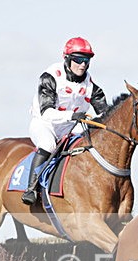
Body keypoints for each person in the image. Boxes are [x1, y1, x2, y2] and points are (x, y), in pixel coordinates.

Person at [22, 37, 109, 205]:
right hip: (45, 124)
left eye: (87, 60)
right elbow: (46, 112)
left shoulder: (90, 85)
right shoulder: (50, 77)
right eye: (78, 59)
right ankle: (31, 188)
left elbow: (105, 112)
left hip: (70, 128)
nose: (83, 64)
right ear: (67, 58)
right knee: (48, 145)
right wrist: (71, 116)